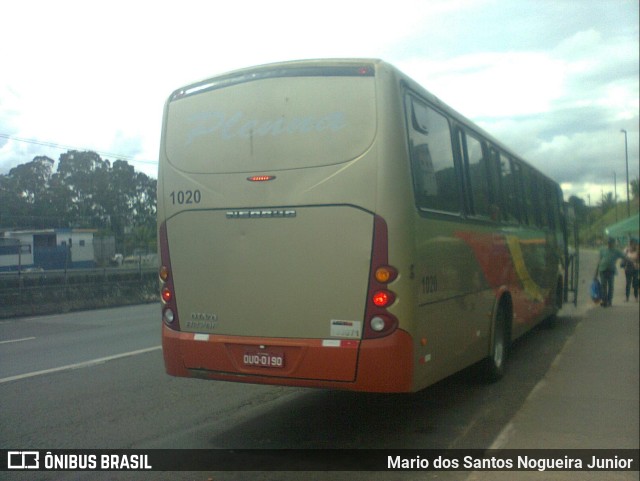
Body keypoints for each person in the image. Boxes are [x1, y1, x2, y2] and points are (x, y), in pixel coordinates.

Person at [597, 238, 627, 307]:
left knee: (610, 286)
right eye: (608, 242)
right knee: (603, 286)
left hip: (611, 270)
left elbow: (624, 257)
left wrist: (632, 261)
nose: (609, 244)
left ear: (614, 243)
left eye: (611, 243)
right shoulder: (602, 249)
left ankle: (609, 301)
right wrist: (596, 272)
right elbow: (599, 260)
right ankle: (604, 301)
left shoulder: (616, 251)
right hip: (602, 269)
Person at [622, 238, 639, 302]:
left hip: (635, 268)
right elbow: (624, 258)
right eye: (633, 244)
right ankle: (627, 298)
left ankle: (636, 297)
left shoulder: (637, 251)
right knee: (628, 283)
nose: (634, 245)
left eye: (635, 244)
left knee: (635, 283)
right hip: (628, 268)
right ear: (630, 244)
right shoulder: (626, 250)